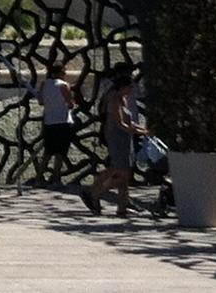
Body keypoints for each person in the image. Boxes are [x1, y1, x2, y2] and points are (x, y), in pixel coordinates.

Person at [81, 75, 147, 217]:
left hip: (125, 137)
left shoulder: (123, 99)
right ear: (123, 87)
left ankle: (122, 206)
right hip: (117, 137)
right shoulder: (114, 99)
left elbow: (129, 122)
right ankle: (94, 192)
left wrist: (143, 130)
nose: (132, 90)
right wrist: (136, 131)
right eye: (130, 87)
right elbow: (120, 123)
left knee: (124, 172)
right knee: (119, 169)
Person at [37, 61, 76, 185]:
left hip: (49, 121)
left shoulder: (44, 84)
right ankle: (56, 178)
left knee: (48, 152)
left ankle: (39, 177)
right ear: (59, 73)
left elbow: (41, 102)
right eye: (64, 72)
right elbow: (70, 104)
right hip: (62, 121)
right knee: (60, 153)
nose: (64, 75)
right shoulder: (63, 85)